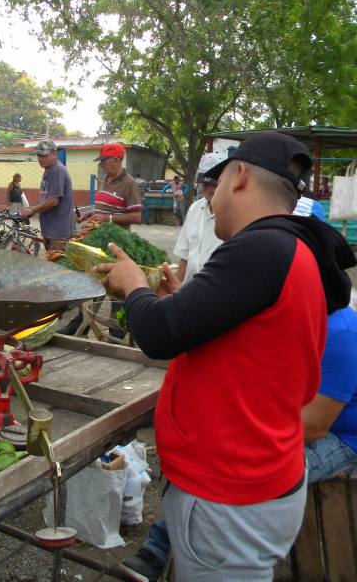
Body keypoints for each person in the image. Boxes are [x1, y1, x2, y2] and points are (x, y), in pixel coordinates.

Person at [99, 131, 355, 582]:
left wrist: (133, 284)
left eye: (215, 188)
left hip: (229, 497)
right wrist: (183, 302)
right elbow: (254, 344)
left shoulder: (261, 247)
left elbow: (158, 335)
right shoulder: (295, 251)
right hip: (257, 484)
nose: (211, 200)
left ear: (239, 177)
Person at [173, 152, 228, 283]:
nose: (210, 190)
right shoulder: (195, 208)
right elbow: (184, 256)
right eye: (205, 184)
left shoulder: (234, 214)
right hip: (189, 289)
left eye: (215, 185)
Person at [20, 140, 74, 251]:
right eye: (38, 156)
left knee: (57, 267)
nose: (40, 159)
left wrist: (32, 210)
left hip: (58, 233)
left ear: (54, 154)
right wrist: (32, 209)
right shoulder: (48, 170)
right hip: (50, 231)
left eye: (43, 156)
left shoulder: (57, 170)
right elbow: (46, 199)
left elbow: (53, 201)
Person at [80, 143, 142, 228]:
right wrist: (90, 214)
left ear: (116, 160)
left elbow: (137, 217)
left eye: (103, 161)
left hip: (115, 237)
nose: (101, 165)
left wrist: (107, 218)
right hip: (99, 234)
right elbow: (106, 209)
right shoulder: (105, 180)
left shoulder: (129, 183)